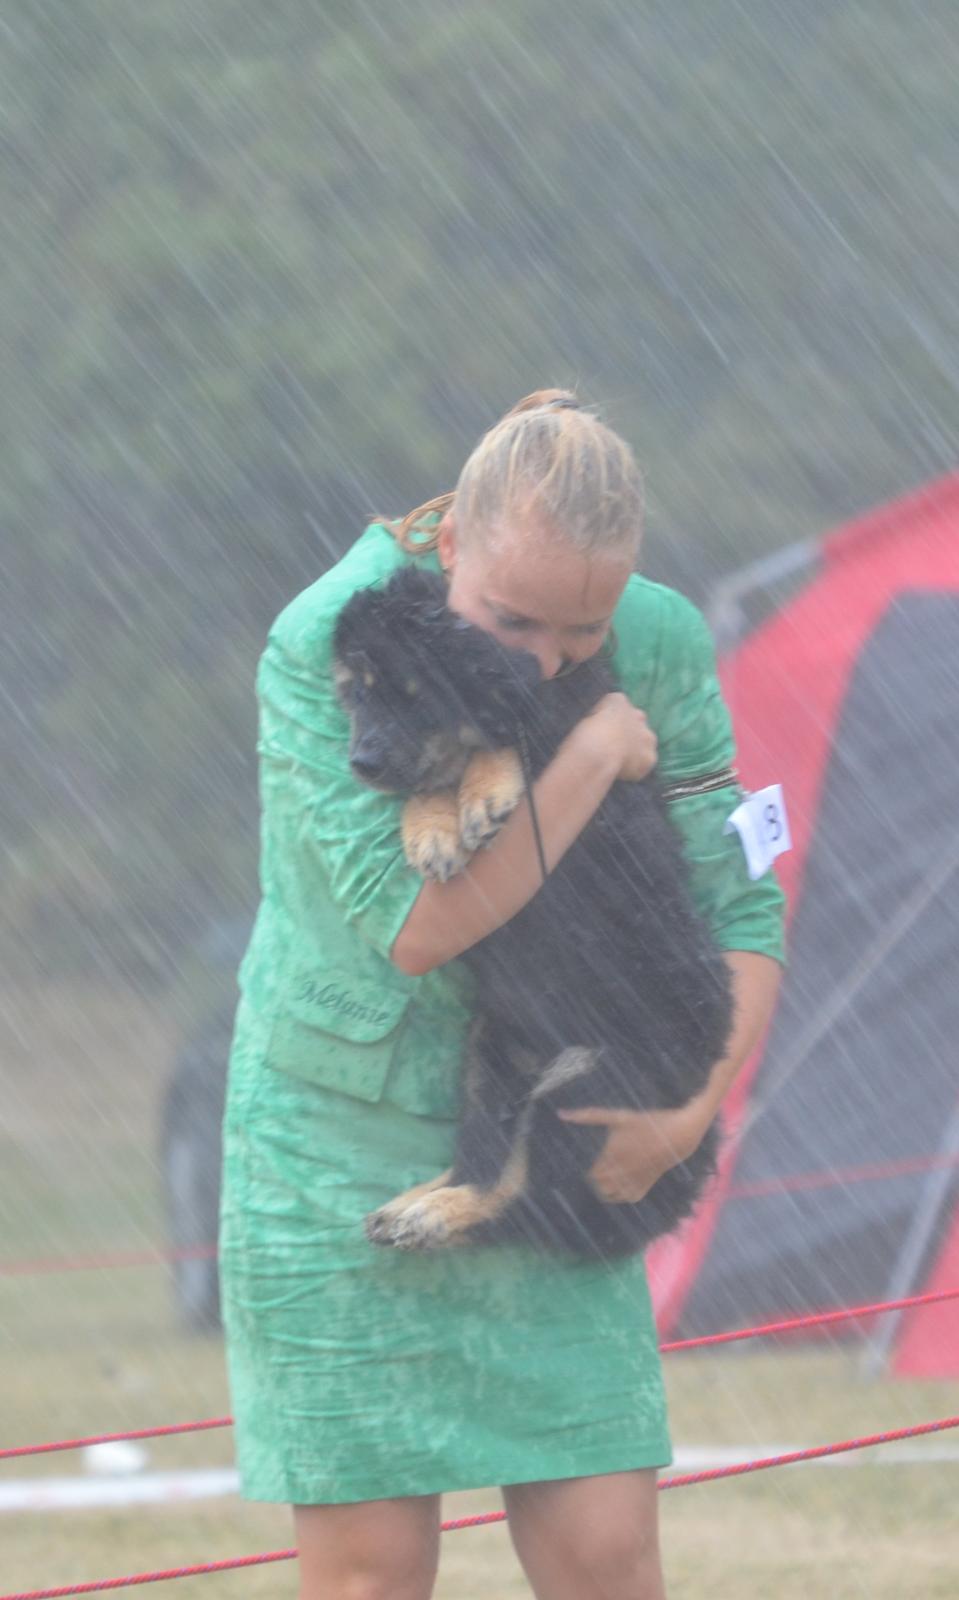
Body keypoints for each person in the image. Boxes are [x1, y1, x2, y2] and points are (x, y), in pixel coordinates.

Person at [218, 389, 785, 1600]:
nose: (544, 659)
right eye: (513, 618)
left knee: (605, 1563)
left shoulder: (662, 638)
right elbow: (420, 925)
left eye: (584, 633)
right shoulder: (332, 635)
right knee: (370, 1579)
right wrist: (587, 746)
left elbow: (736, 899)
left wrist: (688, 1110)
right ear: (449, 541)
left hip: (560, 1125)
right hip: (333, 1149)